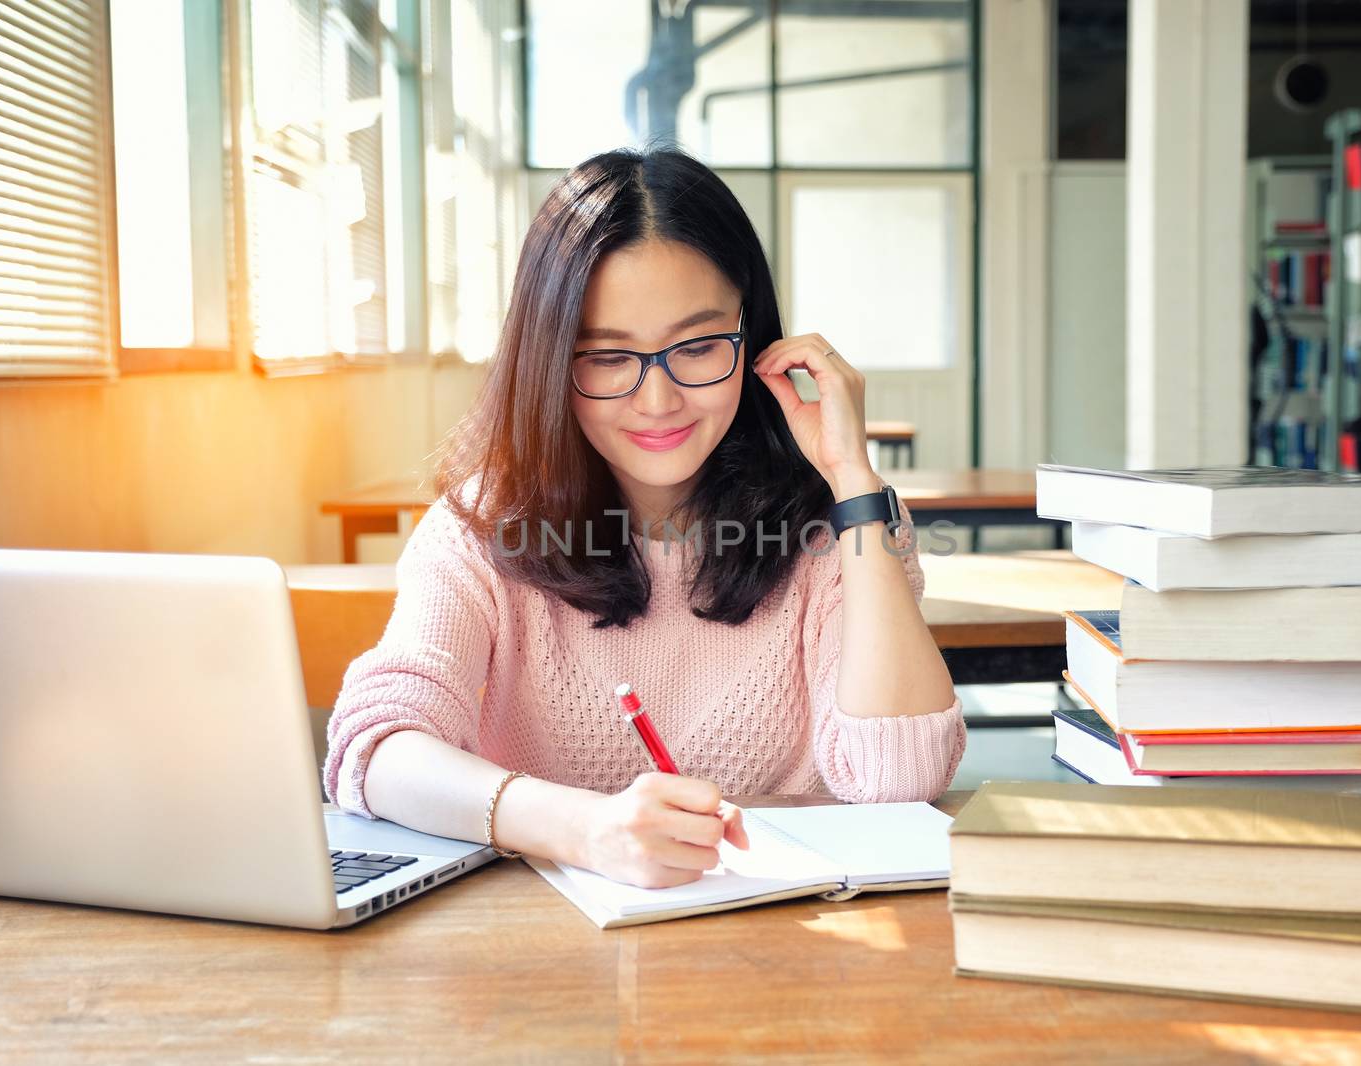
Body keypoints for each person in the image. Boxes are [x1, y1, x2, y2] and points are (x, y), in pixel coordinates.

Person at [324, 147, 966, 889]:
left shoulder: (843, 529)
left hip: (793, 960)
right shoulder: (480, 526)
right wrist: (587, 829)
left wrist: (853, 482)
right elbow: (376, 748)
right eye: (606, 358)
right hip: (543, 961)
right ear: (549, 360)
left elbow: (901, 778)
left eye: (696, 347)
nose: (658, 401)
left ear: (751, 336)